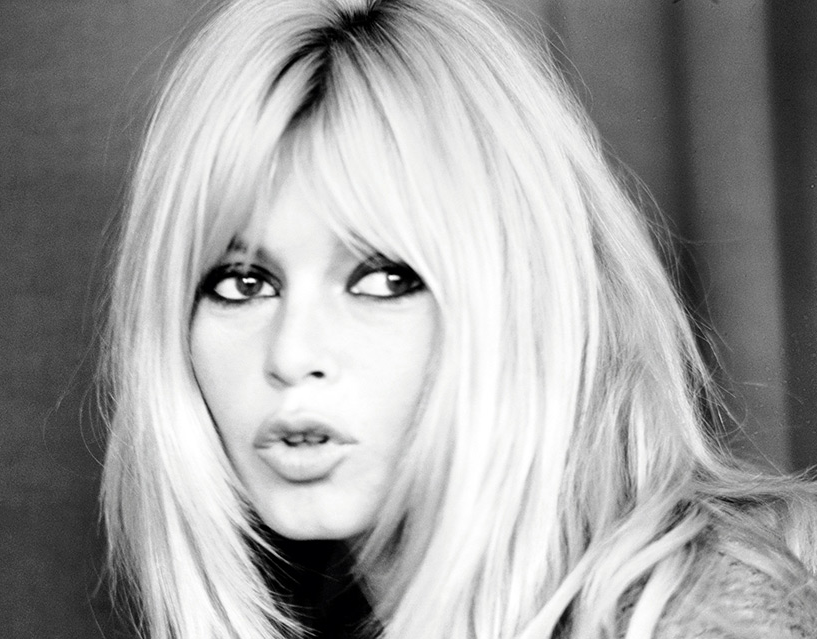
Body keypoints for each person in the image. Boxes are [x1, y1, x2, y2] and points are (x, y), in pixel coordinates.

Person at [98, 0, 817, 637]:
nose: (291, 353)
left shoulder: (721, 610)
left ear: (521, 298)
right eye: (242, 283)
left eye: (384, 279)